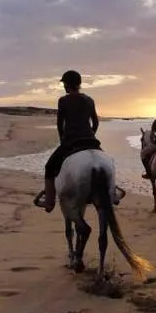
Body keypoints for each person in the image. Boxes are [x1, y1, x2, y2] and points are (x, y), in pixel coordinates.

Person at [42, 70, 100, 212]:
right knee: (105, 162)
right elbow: (96, 122)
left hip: (71, 141)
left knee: (49, 167)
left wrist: (62, 140)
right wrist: (91, 135)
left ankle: (49, 201)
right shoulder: (90, 100)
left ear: (67, 85)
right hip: (91, 141)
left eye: (64, 84)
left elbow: (60, 124)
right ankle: (113, 191)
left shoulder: (63, 100)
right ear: (79, 84)